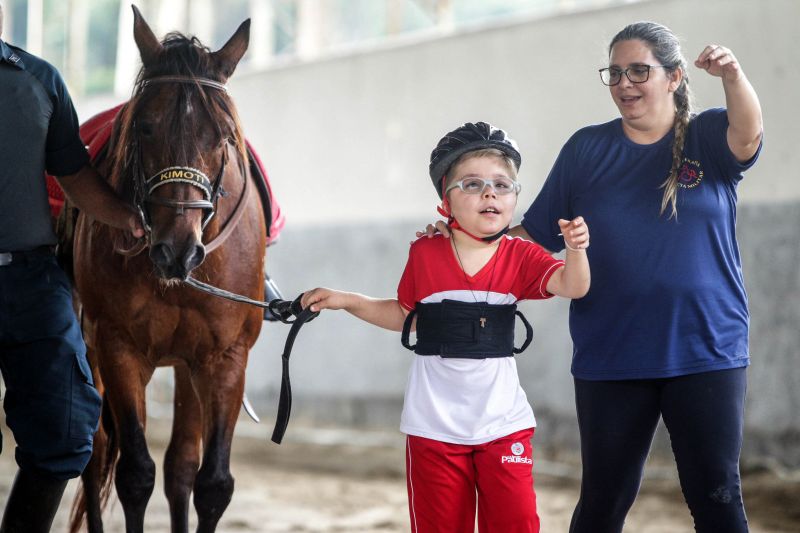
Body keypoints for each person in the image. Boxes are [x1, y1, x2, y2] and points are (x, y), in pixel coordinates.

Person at [424, 21, 763, 533]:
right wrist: (460, 236)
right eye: (615, 73)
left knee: (717, 496)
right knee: (603, 502)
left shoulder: (707, 136)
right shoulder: (586, 149)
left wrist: (733, 75)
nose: (625, 83)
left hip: (706, 347)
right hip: (612, 351)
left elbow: (748, 132)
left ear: (672, 77)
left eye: (639, 71)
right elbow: (532, 234)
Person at [302, 121, 590, 533]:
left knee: (517, 524)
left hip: (502, 425)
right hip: (433, 427)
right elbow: (406, 316)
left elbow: (574, 286)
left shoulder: (521, 256)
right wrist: (347, 300)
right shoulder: (425, 251)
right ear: (445, 200)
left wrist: (576, 250)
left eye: (502, 184)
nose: (489, 193)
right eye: (471, 184)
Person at [0, 5, 144, 531]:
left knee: (66, 427)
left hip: (33, 282)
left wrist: (126, 218)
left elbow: (75, 174)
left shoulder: (37, 79)